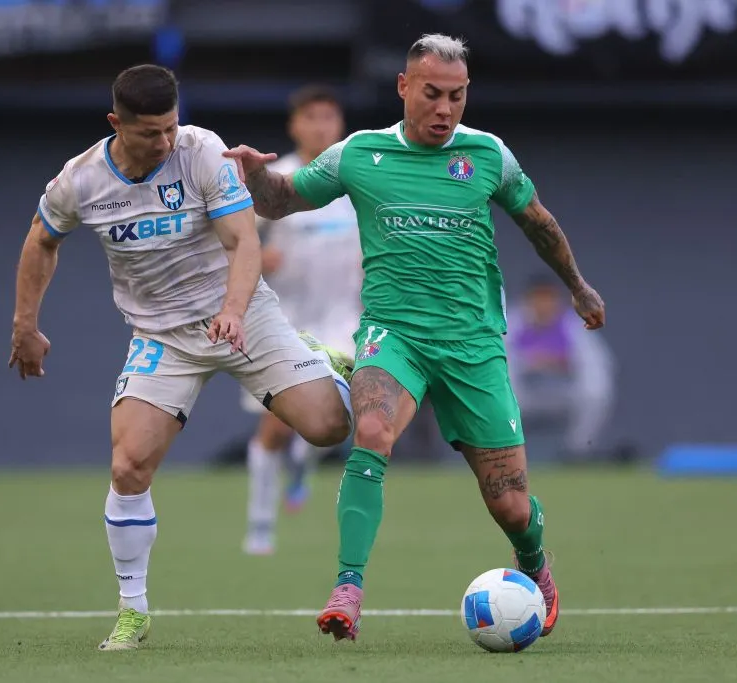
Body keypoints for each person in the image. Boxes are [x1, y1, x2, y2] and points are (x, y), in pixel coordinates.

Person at [224, 33, 606, 641]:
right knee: (370, 430)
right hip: (392, 334)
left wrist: (579, 286)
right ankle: (348, 588)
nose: (445, 109)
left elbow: (540, 223)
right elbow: (281, 201)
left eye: (456, 96)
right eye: (432, 94)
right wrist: (254, 177)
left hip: (473, 345)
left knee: (509, 503)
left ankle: (534, 562)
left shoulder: (488, 156)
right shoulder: (359, 155)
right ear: (404, 87)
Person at [8, 64, 356, 651]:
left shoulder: (202, 152)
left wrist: (236, 310)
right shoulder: (81, 180)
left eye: (171, 127)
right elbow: (42, 239)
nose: (166, 142)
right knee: (128, 466)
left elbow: (245, 241)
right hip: (162, 336)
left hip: (245, 316)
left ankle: (318, 359)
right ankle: (133, 611)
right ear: (116, 123)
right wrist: (25, 325)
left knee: (329, 428)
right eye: (150, 133)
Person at [241, 84, 362, 556]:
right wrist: (257, 256)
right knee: (274, 428)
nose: (320, 126)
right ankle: (260, 526)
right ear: (294, 125)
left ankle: (305, 461)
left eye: (328, 117)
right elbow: (231, 240)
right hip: (284, 323)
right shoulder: (278, 179)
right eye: (310, 118)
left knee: (343, 409)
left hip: (345, 321)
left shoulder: (356, 177)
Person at [506, 274, 616, 463]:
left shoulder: (572, 325)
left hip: (561, 393)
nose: (543, 305)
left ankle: (577, 451)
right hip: (521, 397)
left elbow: (598, 364)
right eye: (538, 298)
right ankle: (503, 450)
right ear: (527, 300)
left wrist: (559, 363)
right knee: (498, 391)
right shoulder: (510, 323)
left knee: (595, 392)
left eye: (548, 298)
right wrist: (531, 362)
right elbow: (498, 363)